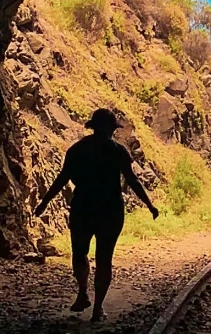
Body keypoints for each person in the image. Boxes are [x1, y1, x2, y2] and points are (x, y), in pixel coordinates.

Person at [37, 108, 159, 321]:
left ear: (92, 127)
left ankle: (83, 293)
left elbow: (62, 178)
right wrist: (149, 204)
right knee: (104, 258)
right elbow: (132, 180)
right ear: (112, 129)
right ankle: (97, 308)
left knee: (79, 253)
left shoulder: (77, 150)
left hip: (83, 207)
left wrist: (44, 202)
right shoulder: (118, 151)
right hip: (110, 210)